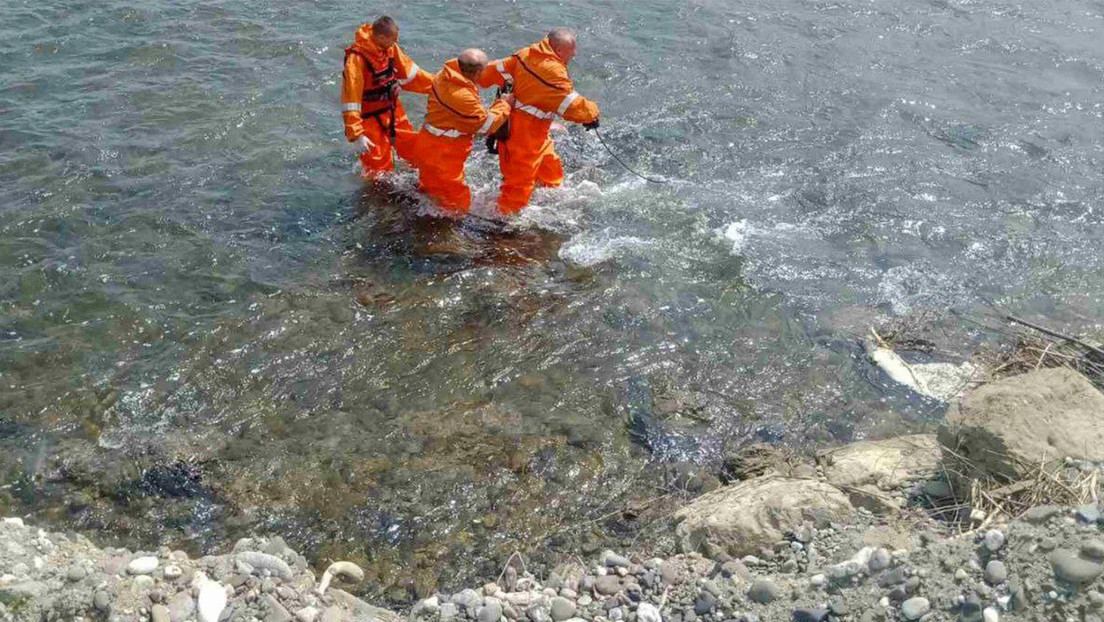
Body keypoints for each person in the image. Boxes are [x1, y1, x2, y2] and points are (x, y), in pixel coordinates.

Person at [478, 27, 600, 215]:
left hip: (537, 134)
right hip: (521, 137)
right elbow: (571, 105)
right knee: (517, 188)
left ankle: (546, 200)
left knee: (550, 171)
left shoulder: (526, 54)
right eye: (571, 49)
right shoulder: (552, 72)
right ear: (558, 50)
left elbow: (491, 72)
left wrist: (475, 75)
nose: (575, 53)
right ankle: (501, 227)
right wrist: (592, 114)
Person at [407, 49, 514, 213]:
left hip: (428, 143)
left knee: (431, 190)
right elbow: (485, 126)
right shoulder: (461, 95)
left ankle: (425, 216)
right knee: (456, 204)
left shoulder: (445, 75)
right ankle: (447, 234)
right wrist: (504, 104)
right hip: (443, 154)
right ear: (477, 72)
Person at [340, 16, 433, 177]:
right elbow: (351, 99)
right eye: (393, 39)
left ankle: (422, 180)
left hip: (392, 109)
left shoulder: (390, 48)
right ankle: (377, 198)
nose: (395, 43)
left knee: (413, 149)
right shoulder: (357, 59)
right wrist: (357, 134)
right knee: (377, 169)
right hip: (369, 118)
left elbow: (410, 73)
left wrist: (439, 86)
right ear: (381, 37)